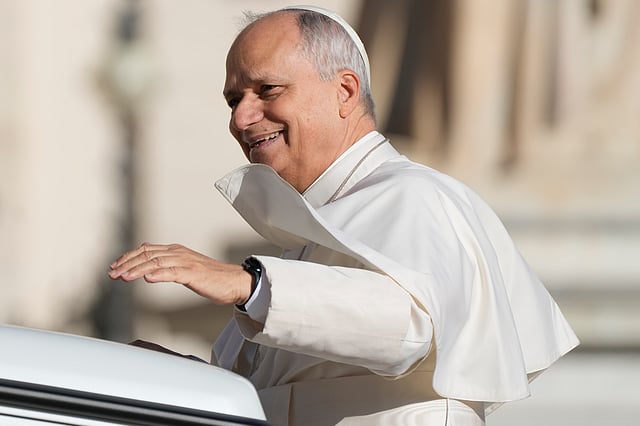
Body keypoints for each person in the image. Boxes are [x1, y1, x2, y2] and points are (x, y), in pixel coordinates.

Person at [109, 6, 579, 425]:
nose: (241, 118)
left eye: (267, 90)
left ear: (345, 92)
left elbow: (407, 327)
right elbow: (294, 394)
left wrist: (249, 285)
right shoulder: (309, 231)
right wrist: (192, 380)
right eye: (235, 100)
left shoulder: (415, 196)